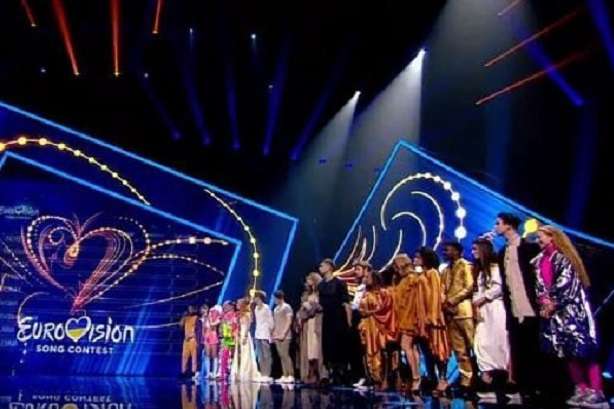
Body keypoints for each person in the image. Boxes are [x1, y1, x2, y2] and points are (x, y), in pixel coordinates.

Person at [533, 225, 607, 408]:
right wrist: (544, 302)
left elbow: (566, 285)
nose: (537, 240)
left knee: (585, 350)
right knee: (566, 351)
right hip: (555, 314)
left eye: (540, 236)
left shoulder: (564, 259)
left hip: (573, 311)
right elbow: (540, 286)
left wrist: (552, 303)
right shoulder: (539, 261)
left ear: (552, 237)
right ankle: (581, 388)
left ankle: (597, 391)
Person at [494, 213, 541, 396]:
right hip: (513, 308)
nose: (496, 227)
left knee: (533, 347)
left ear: (508, 226)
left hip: (531, 306)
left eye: (498, 223)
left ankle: (535, 386)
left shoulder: (529, 248)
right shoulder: (502, 252)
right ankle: (522, 387)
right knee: (517, 347)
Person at [471, 238, 510, 399]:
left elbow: (498, 287)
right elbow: (476, 291)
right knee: (481, 343)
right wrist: (476, 303)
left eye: (475, 249)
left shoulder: (494, 268)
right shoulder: (478, 270)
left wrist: (483, 298)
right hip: (482, 311)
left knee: (499, 343)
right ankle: (486, 378)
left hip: (495, 309)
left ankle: (502, 382)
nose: (473, 252)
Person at [414, 246, 451, 396]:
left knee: (438, 349)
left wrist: (432, 316)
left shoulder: (433, 273)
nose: (415, 259)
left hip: (433, 319)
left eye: (418, 257)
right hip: (422, 319)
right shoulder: (421, 274)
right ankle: (432, 379)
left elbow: (435, 295)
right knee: (427, 351)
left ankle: (443, 379)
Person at [441, 242, 475, 395]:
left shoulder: (465, 266)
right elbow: (442, 289)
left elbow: (469, 286)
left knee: (473, 346)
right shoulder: (445, 270)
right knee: (459, 350)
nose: (445, 252)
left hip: (464, 311)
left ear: (457, 251)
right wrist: (444, 302)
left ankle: (481, 378)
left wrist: (453, 300)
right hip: (450, 314)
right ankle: (466, 381)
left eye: (447, 250)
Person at [392, 253, 428, 394]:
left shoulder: (413, 279)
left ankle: (416, 377)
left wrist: (415, 319)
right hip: (404, 317)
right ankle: (416, 377)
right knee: (411, 348)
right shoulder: (404, 280)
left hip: (410, 318)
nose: (395, 270)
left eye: (396, 267)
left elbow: (416, 302)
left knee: (406, 346)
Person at [358, 269, 397, 389]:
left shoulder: (384, 293)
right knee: (369, 353)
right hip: (368, 326)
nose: (366, 279)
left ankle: (385, 379)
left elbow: (386, 309)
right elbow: (361, 310)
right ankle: (374, 379)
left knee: (382, 351)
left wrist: (371, 312)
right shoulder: (365, 294)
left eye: (368, 277)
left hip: (380, 326)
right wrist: (366, 313)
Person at [317, 258, 351, 385]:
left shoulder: (340, 283)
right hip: (327, 319)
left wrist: (349, 322)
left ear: (329, 267)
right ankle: (331, 373)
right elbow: (320, 304)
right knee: (328, 346)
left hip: (339, 318)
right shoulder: (320, 285)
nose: (320, 268)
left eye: (322, 265)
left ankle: (342, 374)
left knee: (339, 345)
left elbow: (346, 303)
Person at [295, 272, 327, 384]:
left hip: (317, 322)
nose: (307, 282)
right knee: (309, 350)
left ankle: (320, 374)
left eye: (309, 279)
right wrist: (301, 314)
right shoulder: (306, 294)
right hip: (307, 324)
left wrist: (310, 308)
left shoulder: (320, 293)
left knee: (317, 349)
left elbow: (320, 307)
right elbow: (301, 310)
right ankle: (310, 373)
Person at [230, 297, 260, 382]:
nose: (237, 305)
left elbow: (248, 326)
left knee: (245, 352)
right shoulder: (239, 314)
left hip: (244, 334)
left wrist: (245, 336)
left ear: (242, 304)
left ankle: (245, 371)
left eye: (238, 303)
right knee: (239, 352)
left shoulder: (247, 314)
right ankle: (238, 371)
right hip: (239, 334)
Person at [350, 261, 369, 388]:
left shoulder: (368, 287)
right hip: (356, 317)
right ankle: (361, 375)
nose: (355, 272)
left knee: (365, 348)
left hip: (365, 318)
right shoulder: (358, 287)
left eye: (358, 269)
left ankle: (368, 376)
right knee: (358, 348)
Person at [272, 290, 295, 383]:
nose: (274, 300)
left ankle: (291, 375)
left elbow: (289, 321)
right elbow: (275, 322)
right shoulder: (276, 309)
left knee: (285, 355)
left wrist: (284, 333)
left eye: (275, 298)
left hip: (285, 335)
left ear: (279, 298)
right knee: (281, 355)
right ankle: (285, 374)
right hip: (277, 334)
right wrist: (274, 332)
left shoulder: (287, 307)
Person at [253, 290, 274, 383]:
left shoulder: (266, 308)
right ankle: (262, 373)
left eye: (255, 297)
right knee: (260, 355)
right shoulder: (256, 308)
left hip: (265, 333)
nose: (254, 299)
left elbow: (270, 321)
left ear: (259, 298)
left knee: (266, 355)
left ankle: (267, 374)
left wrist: (271, 332)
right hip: (258, 333)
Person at [200, 304, 222, 380]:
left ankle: (214, 373)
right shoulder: (204, 318)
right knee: (207, 355)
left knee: (214, 355)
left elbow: (212, 325)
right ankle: (208, 373)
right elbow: (204, 328)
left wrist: (209, 318)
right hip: (207, 336)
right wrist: (204, 336)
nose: (212, 312)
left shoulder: (218, 319)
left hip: (213, 336)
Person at [219, 301, 239, 381]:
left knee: (233, 355)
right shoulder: (224, 316)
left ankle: (233, 372)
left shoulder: (236, 315)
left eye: (226, 306)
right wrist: (223, 334)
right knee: (224, 355)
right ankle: (223, 373)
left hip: (234, 336)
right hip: (227, 337)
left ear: (231, 306)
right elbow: (222, 327)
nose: (224, 308)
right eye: (223, 306)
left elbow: (237, 325)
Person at [180, 305, 201, 379]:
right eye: (189, 309)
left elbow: (198, 330)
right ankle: (183, 371)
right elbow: (181, 325)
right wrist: (183, 317)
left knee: (194, 357)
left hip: (193, 339)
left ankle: (193, 372)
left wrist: (196, 338)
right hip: (186, 340)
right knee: (184, 356)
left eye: (191, 308)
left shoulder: (196, 318)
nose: (190, 310)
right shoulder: (186, 318)